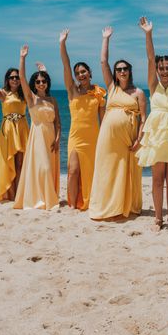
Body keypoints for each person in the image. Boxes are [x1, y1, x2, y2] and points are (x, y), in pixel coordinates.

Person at [136, 17, 168, 231]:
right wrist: (148, 34)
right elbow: (149, 59)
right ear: (157, 70)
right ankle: (158, 218)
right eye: (162, 68)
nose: (165, 71)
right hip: (157, 136)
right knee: (157, 180)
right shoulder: (153, 86)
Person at [89, 27, 147, 220]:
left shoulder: (138, 93)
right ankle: (107, 205)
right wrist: (105, 39)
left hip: (128, 139)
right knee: (107, 169)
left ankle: (126, 205)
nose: (122, 71)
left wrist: (140, 139)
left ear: (130, 71)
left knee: (127, 169)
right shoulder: (111, 88)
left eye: (125, 68)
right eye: (119, 69)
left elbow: (144, 120)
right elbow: (103, 62)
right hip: (108, 138)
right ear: (115, 73)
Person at [59, 29, 106, 211]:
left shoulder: (99, 93)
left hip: (93, 138)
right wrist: (62, 44)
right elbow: (65, 64)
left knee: (92, 172)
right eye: (77, 73)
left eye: (83, 71)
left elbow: (103, 119)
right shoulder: (72, 90)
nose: (80, 75)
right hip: (76, 137)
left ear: (90, 73)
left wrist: (104, 138)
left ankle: (91, 200)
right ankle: (72, 204)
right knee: (72, 171)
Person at [13, 45, 61, 210]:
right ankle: (42, 200)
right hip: (38, 136)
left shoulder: (52, 100)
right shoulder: (31, 98)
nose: (41, 83)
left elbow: (58, 123)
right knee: (43, 168)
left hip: (51, 137)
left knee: (49, 168)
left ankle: (49, 197)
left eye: (44, 81)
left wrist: (57, 139)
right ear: (34, 84)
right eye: (38, 81)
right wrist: (22, 58)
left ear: (47, 83)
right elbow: (22, 77)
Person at [0, 60, 30, 203]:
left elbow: (40, 90)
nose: (14, 79)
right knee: (9, 161)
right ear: (7, 79)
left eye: (17, 77)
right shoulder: (2, 93)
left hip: (21, 128)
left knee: (21, 162)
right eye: (12, 77)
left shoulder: (24, 94)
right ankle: (11, 193)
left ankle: (20, 193)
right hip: (8, 129)